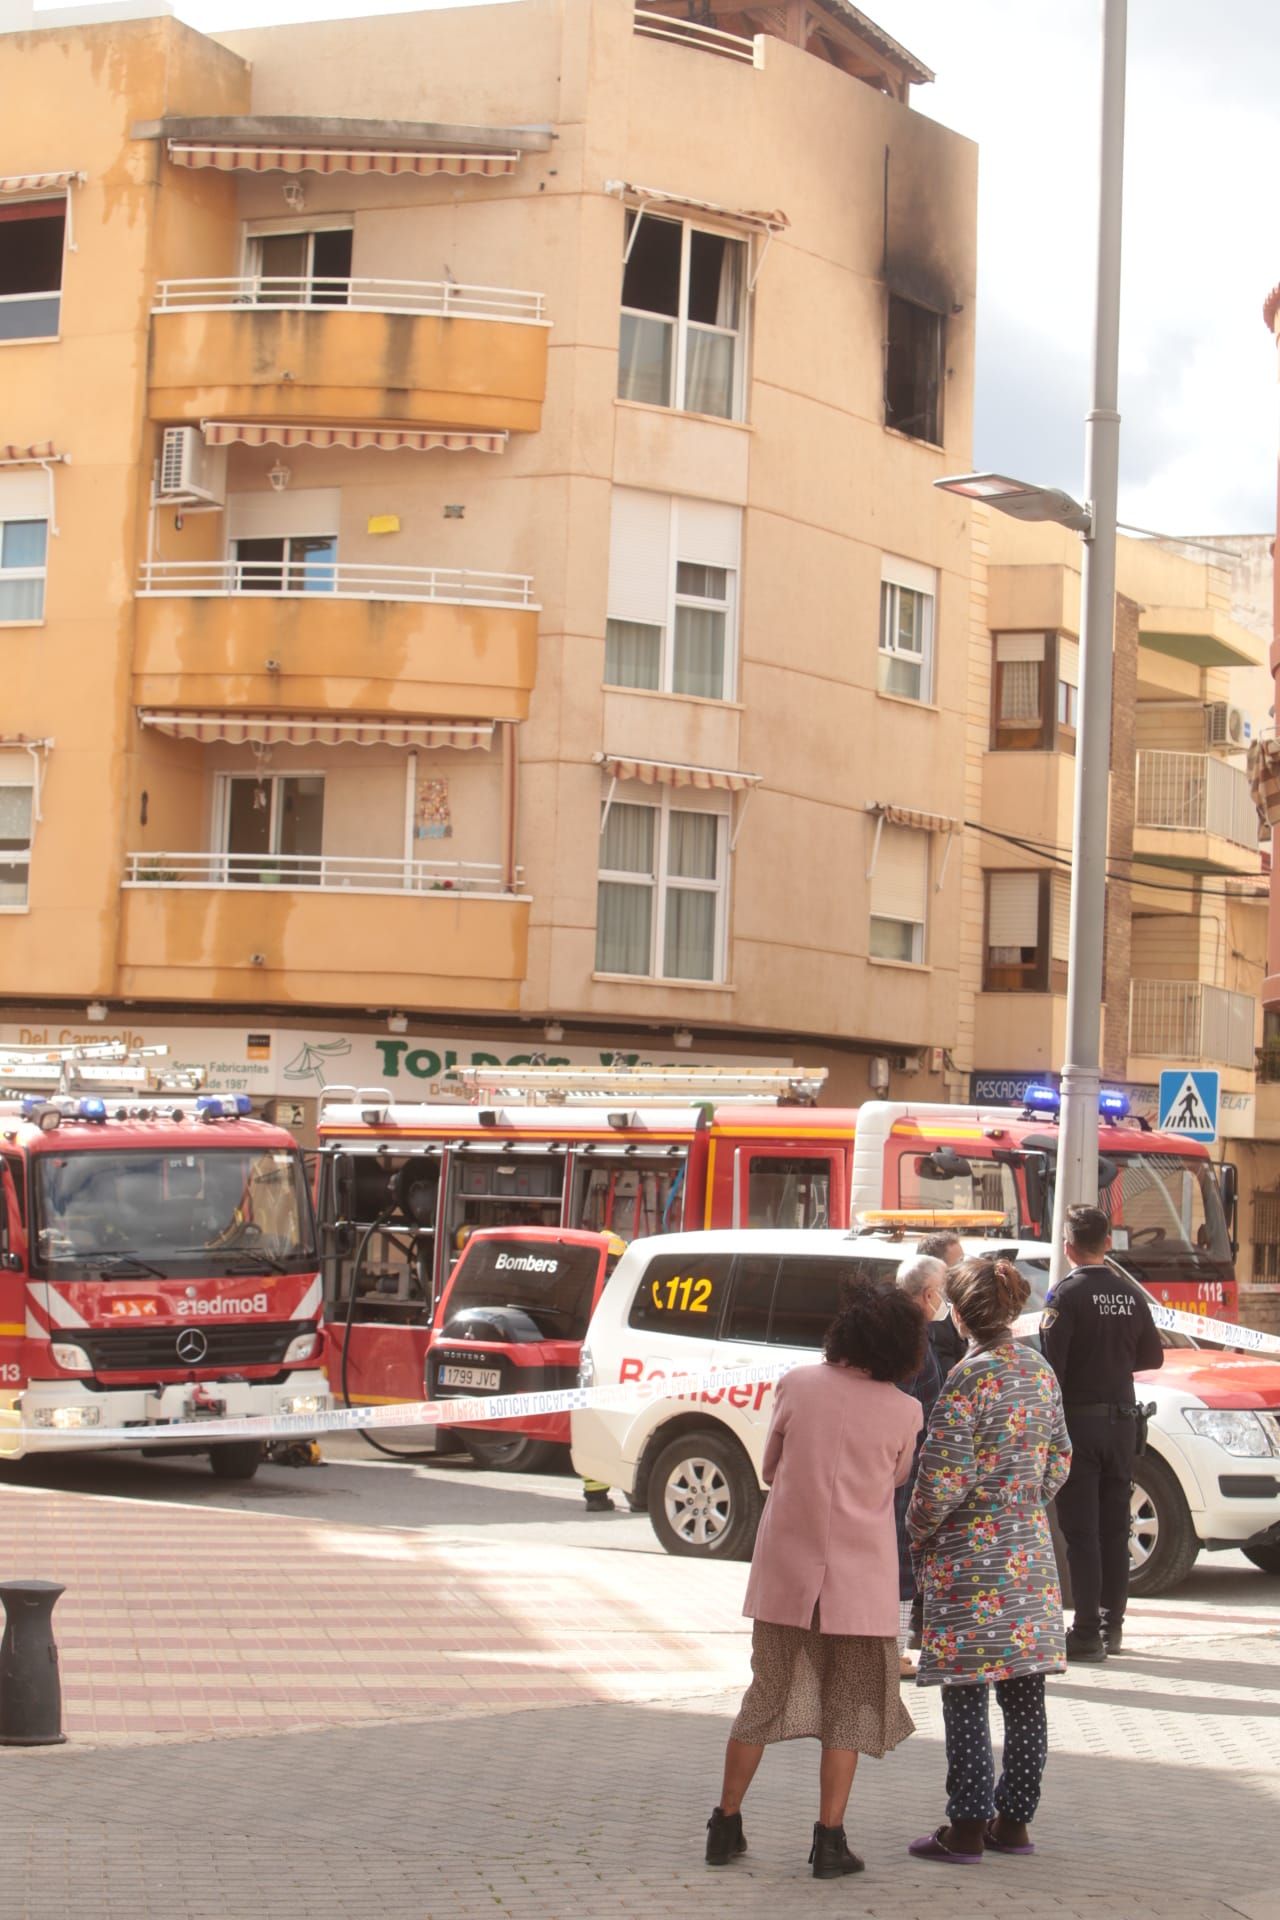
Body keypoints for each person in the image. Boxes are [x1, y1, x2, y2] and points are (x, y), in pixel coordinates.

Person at [706, 1276, 925, 1879]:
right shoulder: (906, 1410)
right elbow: (897, 1480)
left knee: (764, 1695)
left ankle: (724, 1824)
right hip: (862, 1582)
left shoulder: (797, 1386)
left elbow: (771, 1466)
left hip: (788, 1574)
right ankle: (829, 1840)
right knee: (851, 1710)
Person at [906, 1256, 1071, 1865]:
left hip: (969, 1566)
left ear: (959, 1314)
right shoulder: (1039, 1370)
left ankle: (968, 1825)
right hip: (1029, 1557)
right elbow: (1059, 1457)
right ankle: (1015, 1822)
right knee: (1026, 1697)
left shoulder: (968, 1380)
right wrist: (1021, 1500)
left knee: (966, 1693)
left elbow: (941, 1479)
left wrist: (916, 1532)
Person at [1040, 1203, 1164, 1662]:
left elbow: (1054, 1367)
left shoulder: (1064, 1297)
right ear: (1107, 1242)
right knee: (1117, 1529)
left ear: (1068, 1247)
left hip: (1079, 1426)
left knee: (1082, 1533)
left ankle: (1087, 1633)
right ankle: (1113, 1628)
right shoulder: (1130, 1295)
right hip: (1122, 1425)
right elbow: (1152, 1357)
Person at [893, 1255, 946, 1677]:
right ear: (929, 1295)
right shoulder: (912, 1339)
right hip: (902, 1466)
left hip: (886, 1461)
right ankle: (892, 1651)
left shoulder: (888, 1327)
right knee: (899, 1556)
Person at [918, 1229, 967, 1373]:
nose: (964, 1269)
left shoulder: (951, 1302)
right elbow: (949, 1375)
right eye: (959, 1263)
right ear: (938, 1268)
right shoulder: (935, 1315)